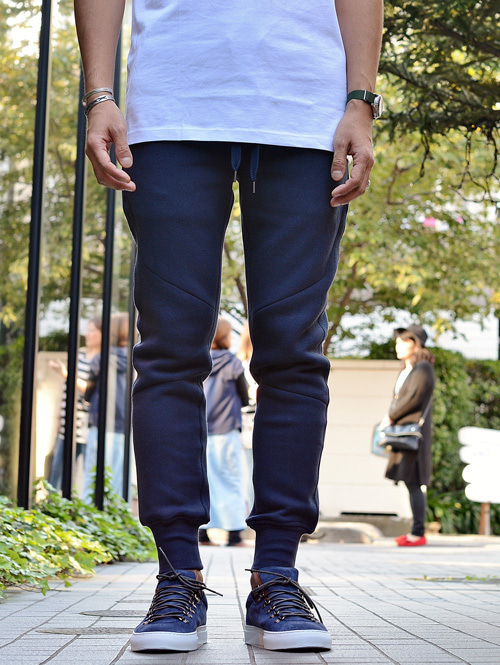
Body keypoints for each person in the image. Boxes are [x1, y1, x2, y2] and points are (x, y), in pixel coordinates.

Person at [74, 0, 383, 652]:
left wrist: (361, 101)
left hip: (305, 111)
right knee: (168, 350)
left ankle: (277, 576)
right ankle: (177, 577)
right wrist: (99, 95)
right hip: (172, 105)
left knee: (294, 351)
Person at [379, 324, 435, 547]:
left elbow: (414, 398)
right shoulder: (408, 369)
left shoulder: (423, 368)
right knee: (410, 482)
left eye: (402, 342)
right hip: (404, 434)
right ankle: (415, 531)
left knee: (414, 482)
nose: (397, 346)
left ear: (415, 344)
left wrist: (390, 416)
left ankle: (418, 533)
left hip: (412, 435)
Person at [199, 317, 249, 547]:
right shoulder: (232, 363)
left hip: (201, 429)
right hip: (227, 429)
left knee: (204, 481)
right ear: (225, 337)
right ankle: (234, 534)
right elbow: (244, 397)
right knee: (231, 479)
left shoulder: (200, 361)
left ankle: (202, 534)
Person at [48, 318, 102, 491]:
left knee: (87, 478)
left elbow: (89, 390)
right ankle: (51, 505)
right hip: (67, 425)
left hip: (86, 427)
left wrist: (65, 374)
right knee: (57, 475)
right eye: (88, 330)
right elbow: (66, 390)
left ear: (102, 334)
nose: (88, 334)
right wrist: (59, 418)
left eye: (92, 330)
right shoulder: (79, 356)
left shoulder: (101, 360)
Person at [83, 313, 129, 502]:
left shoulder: (101, 359)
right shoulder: (136, 360)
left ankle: (89, 516)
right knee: (119, 481)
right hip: (124, 427)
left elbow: (88, 391)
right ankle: (116, 515)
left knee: (92, 479)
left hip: (101, 425)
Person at [237, 322, 257, 511]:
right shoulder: (255, 365)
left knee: (251, 471)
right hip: (255, 421)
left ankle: (253, 512)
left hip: (244, 425)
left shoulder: (239, 364)